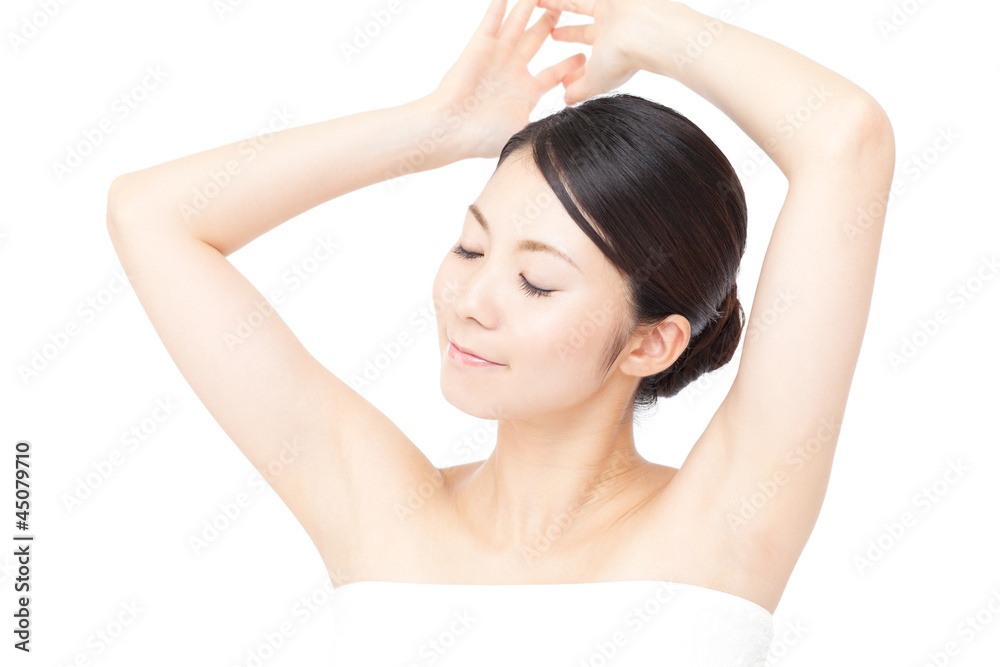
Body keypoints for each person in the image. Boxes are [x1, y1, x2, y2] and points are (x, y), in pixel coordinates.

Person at [106, 0, 894, 663]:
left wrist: (648, 27)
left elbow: (844, 137)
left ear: (649, 342)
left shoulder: (725, 522)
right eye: (470, 247)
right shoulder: (380, 512)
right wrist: (437, 127)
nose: (471, 300)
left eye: (537, 281)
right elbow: (151, 216)